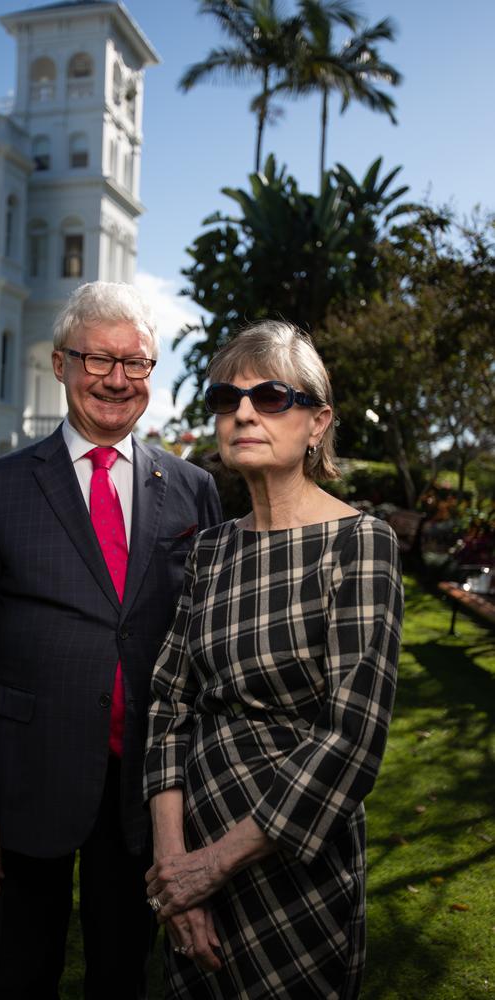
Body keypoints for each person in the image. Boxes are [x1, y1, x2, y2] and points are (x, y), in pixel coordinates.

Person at [0, 281, 222, 1000]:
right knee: (21, 975)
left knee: (122, 974)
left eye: (137, 364)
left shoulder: (192, 490)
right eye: (99, 359)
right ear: (62, 363)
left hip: (145, 795)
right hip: (26, 784)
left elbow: (204, 653)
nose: (117, 380)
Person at [143, 320, 403, 1000]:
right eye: (228, 398)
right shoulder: (210, 550)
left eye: (271, 396)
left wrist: (216, 864)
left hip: (295, 870)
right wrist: (175, 869)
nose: (244, 412)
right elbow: (169, 705)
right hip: (193, 849)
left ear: (317, 422)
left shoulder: (360, 543)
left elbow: (354, 737)